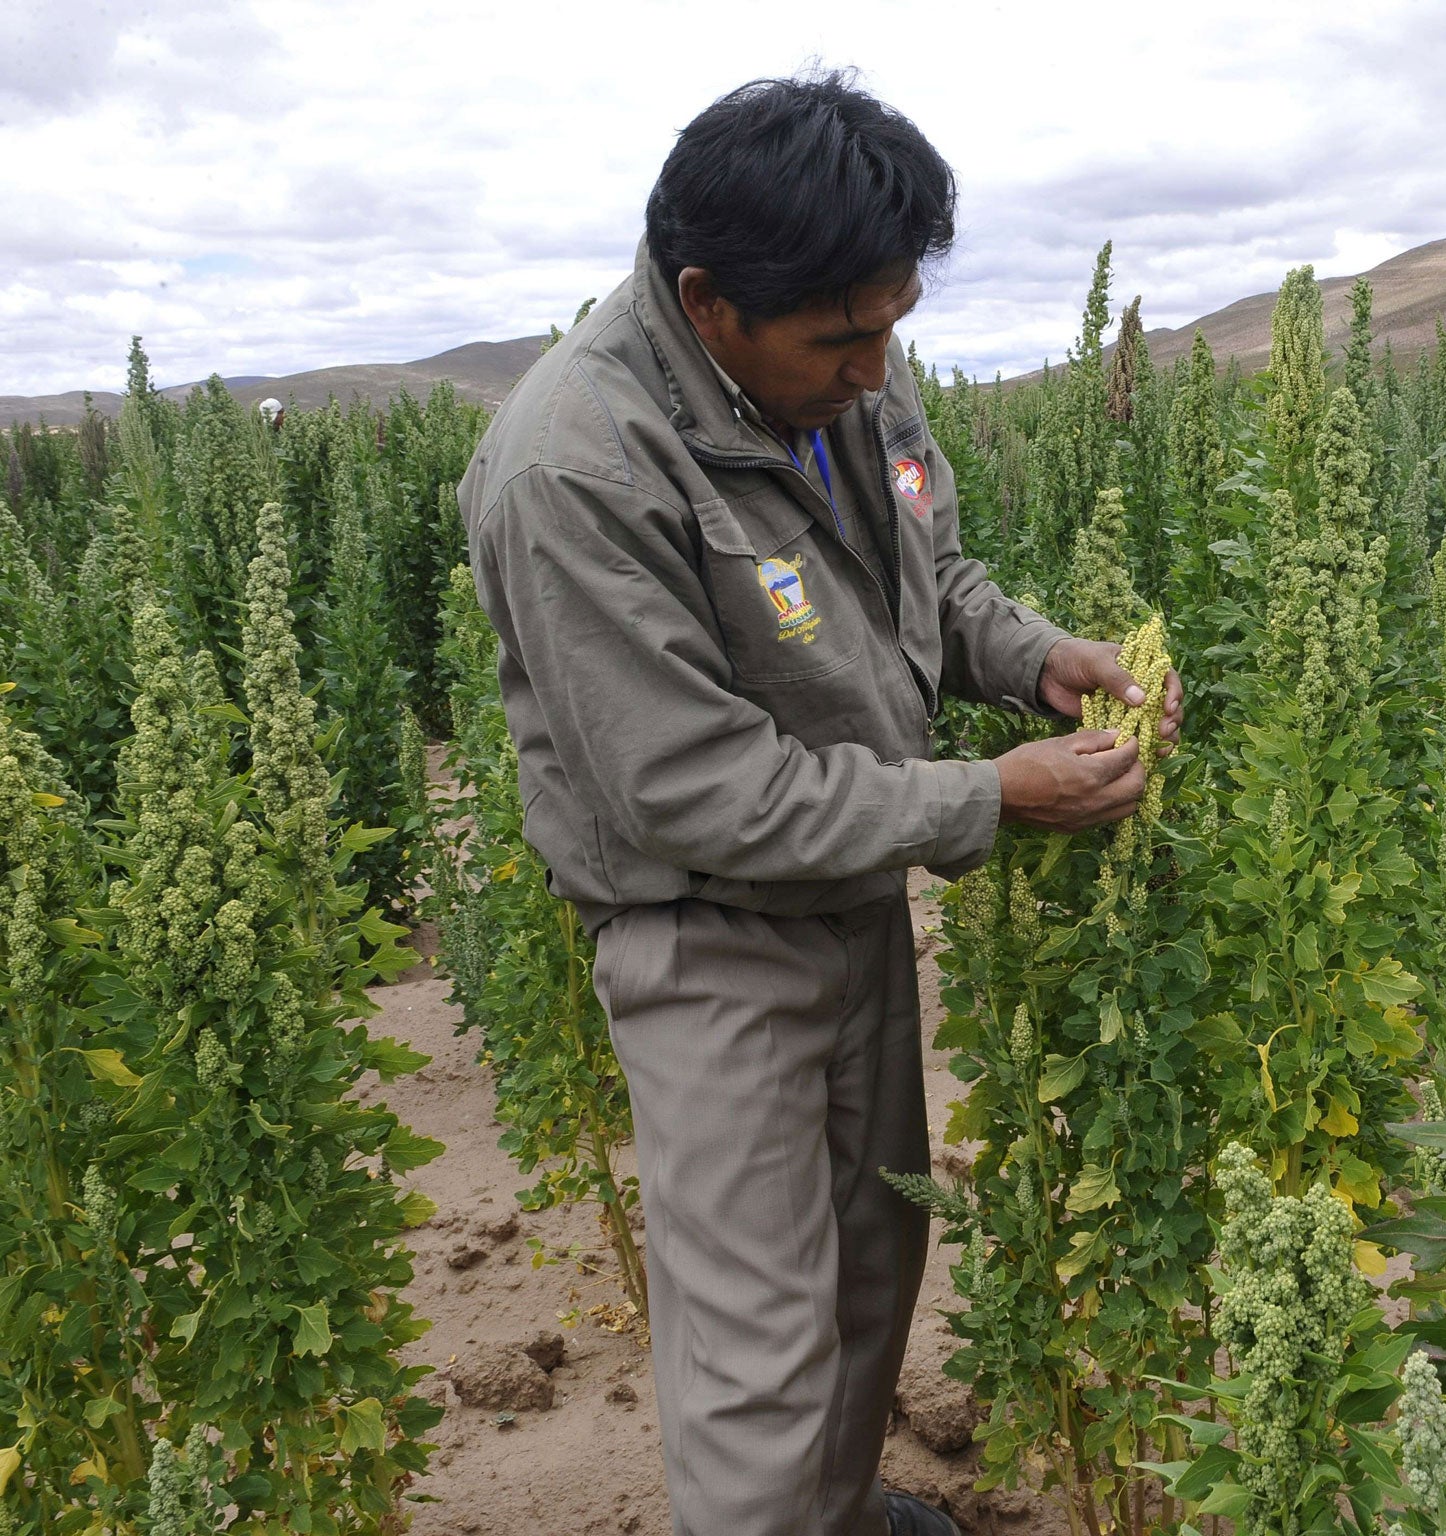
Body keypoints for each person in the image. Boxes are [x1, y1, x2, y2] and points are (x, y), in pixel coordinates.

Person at [458, 72, 1182, 1536]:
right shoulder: (573, 467)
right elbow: (692, 791)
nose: (876, 366)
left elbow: (933, 580)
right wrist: (983, 796)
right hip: (708, 938)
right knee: (759, 1356)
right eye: (845, 338)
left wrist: (1040, 659)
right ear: (709, 299)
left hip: (855, 890)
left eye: (893, 323)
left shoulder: (845, 363)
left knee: (871, 1270)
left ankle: (833, 1518)